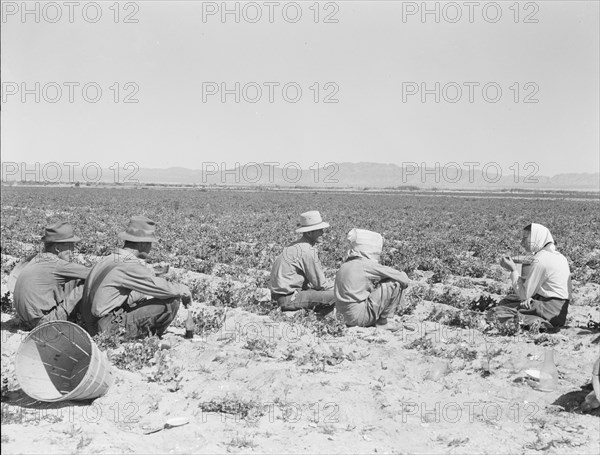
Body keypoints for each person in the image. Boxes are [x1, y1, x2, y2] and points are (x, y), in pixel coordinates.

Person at [81, 216, 192, 338]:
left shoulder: (109, 259)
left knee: (140, 297)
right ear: (143, 244)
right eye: (150, 243)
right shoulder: (129, 265)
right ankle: (151, 336)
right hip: (106, 327)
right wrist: (183, 290)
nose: (151, 248)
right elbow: (161, 288)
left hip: (90, 323)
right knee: (171, 302)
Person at [489, 223, 572, 329]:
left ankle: (539, 323)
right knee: (508, 301)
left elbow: (524, 294)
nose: (522, 243)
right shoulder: (558, 256)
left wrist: (513, 270)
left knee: (495, 313)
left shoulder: (541, 260)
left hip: (548, 310)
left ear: (536, 238)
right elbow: (530, 259)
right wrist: (514, 259)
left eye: (525, 238)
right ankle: (535, 319)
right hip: (558, 310)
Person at [14, 222, 90, 329]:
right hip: (44, 323)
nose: (73, 250)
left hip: (25, 320)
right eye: (70, 246)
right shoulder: (57, 264)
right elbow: (93, 273)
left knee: (68, 280)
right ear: (58, 248)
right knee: (85, 282)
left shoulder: (37, 259)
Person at [334, 228, 410, 331]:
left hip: (341, 317)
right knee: (394, 283)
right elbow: (404, 279)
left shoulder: (346, 264)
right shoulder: (366, 264)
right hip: (357, 318)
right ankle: (383, 323)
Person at [269, 210, 335, 314]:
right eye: (319, 230)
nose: (323, 233)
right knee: (337, 295)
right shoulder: (307, 250)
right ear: (309, 232)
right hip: (288, 298)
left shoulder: (296, 245)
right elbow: (321, 284)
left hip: (279, 296)